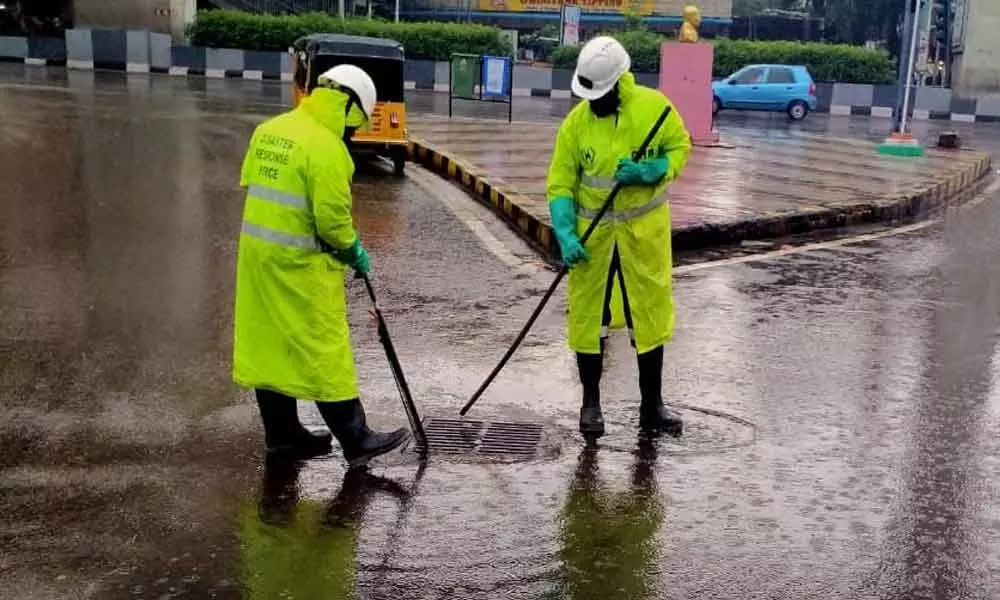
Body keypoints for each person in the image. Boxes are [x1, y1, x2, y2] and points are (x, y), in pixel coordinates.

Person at [233, 64, 408, 465]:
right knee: (324, 347)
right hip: (300, 267)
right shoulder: (327, 149)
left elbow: (255, 186)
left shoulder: (270, 131)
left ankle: (282, 434)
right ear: (347, 108)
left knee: (270, 344)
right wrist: (354, 251)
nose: (355, 132)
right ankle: (356, 437)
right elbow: (331, 223)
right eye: (357, 122)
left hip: (259, 262)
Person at [546, 36, 692, 440]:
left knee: (648, 316)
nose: (592, 102)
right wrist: (564, 234)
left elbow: (681, 146)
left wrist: (652, 170)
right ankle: (590, 404)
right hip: (592, 243)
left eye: (599, 95)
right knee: (587, 320)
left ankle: (652, 407)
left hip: (642, 239)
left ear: (618, 82)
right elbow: (560, 184)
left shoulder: (655, 109)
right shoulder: (576, 124)